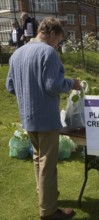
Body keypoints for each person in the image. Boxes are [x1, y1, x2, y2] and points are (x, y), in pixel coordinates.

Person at [6, 17, 80, 220]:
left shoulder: (17, 53)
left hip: (27, 116)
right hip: (46, 118)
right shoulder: (48, 52)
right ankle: (48, 212)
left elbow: (10, 87)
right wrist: (72, 83)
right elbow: (52, 85)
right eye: (59, 40)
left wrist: (28, 92)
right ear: (52, 33)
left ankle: (45, 198)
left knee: (38, 159)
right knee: (48, 163)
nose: (58, 44)